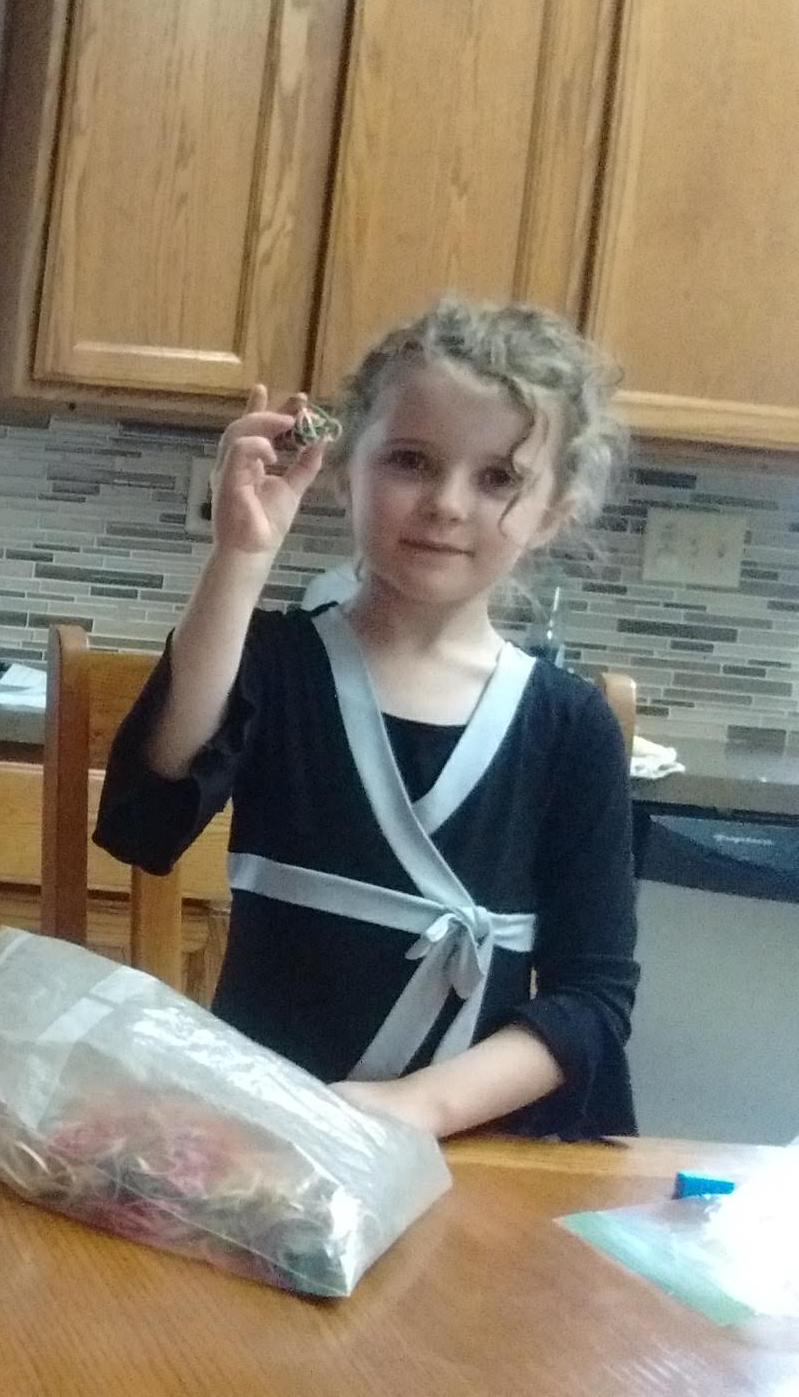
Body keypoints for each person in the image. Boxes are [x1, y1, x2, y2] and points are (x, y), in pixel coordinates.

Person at [94, 297, 639, 1141]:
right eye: (412, 461)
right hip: (260, 1134)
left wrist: (418, 1109)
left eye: (498, 478)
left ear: (556, 509)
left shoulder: (570, 728)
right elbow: (147, 815)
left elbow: (592, 1001)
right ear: (347, 467)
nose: (447, 504)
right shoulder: (277, 663)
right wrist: (240, 557)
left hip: (466, 1156)